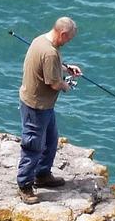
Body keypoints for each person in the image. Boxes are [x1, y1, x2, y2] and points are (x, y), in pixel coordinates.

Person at [16, 16, 82, 204]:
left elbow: (51, 65)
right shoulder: (50, 53)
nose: (68, 41)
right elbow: (53, 83)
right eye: (68, 38)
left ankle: (42, 174)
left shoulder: (41, 40)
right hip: (36, 106)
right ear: (62, 34)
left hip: (45, 106)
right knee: (33, 145)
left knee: (51, 141)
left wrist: (67, 68)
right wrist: (65, 85)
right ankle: (25, 185)